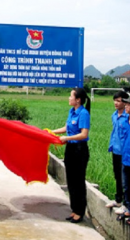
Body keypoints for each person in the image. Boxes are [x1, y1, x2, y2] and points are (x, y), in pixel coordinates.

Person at [50, 88, 90, 223]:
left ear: (78, 100)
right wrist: (51, 132)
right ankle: (74, 210)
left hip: (80, 150)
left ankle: (80, 211)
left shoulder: (83, 113)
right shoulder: (72, 111)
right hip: (71, 149)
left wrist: (66, 138)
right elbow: (66, 128)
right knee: (71, 181)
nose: (69, 98)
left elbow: (84, 134)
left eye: (71, 96)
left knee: (78, 181)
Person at [106, 91, 129, 212]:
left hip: (125, 152)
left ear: (125, 102)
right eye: (115, 100)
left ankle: (126, 203)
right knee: (117, 176)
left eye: (119, 101)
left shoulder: (128, 117)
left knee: (125, 178)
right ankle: (118, 200)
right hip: (115, 149)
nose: (116, 103)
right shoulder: (114, 115)